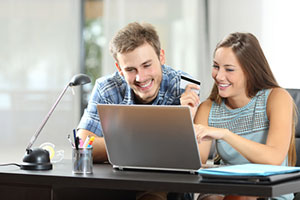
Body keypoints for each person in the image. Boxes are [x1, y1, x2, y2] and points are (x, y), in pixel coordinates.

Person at [77, 22, 199, 200]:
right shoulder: (106, 88)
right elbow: (83, 145)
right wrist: (159, 138)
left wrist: (123, 144)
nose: (140, 77)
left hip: (167, 187)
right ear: (119, 69)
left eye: (147, 65)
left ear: (161, 57)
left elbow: (191, 154)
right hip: (116, 185)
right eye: (130, 70)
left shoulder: (184, 86)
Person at [181, 32, 297, 200]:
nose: (219, 76)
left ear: (250, 71)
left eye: (229, 69)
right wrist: (186, 120)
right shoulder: (208, 107)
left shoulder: (276, 97)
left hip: (268, 191)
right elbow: (194, 163)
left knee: (241, 197)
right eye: (216, 66)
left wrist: (225, 134)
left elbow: (274, 158)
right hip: (225, 189)